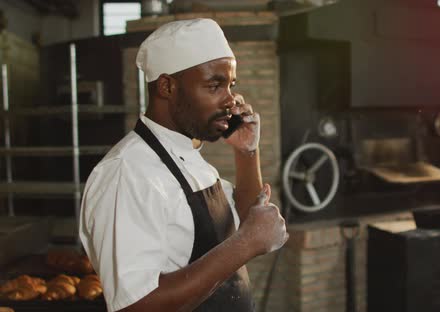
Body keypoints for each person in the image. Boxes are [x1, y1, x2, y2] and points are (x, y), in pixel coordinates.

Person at [79, 18, 289, 312]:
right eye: (214, 85)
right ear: (167, 86)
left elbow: (244, 221)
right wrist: (246, 243)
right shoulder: (127, 172)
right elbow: (135, 305)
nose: (230, 100)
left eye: (231, 85)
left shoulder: (191, 159)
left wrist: (247, 153)